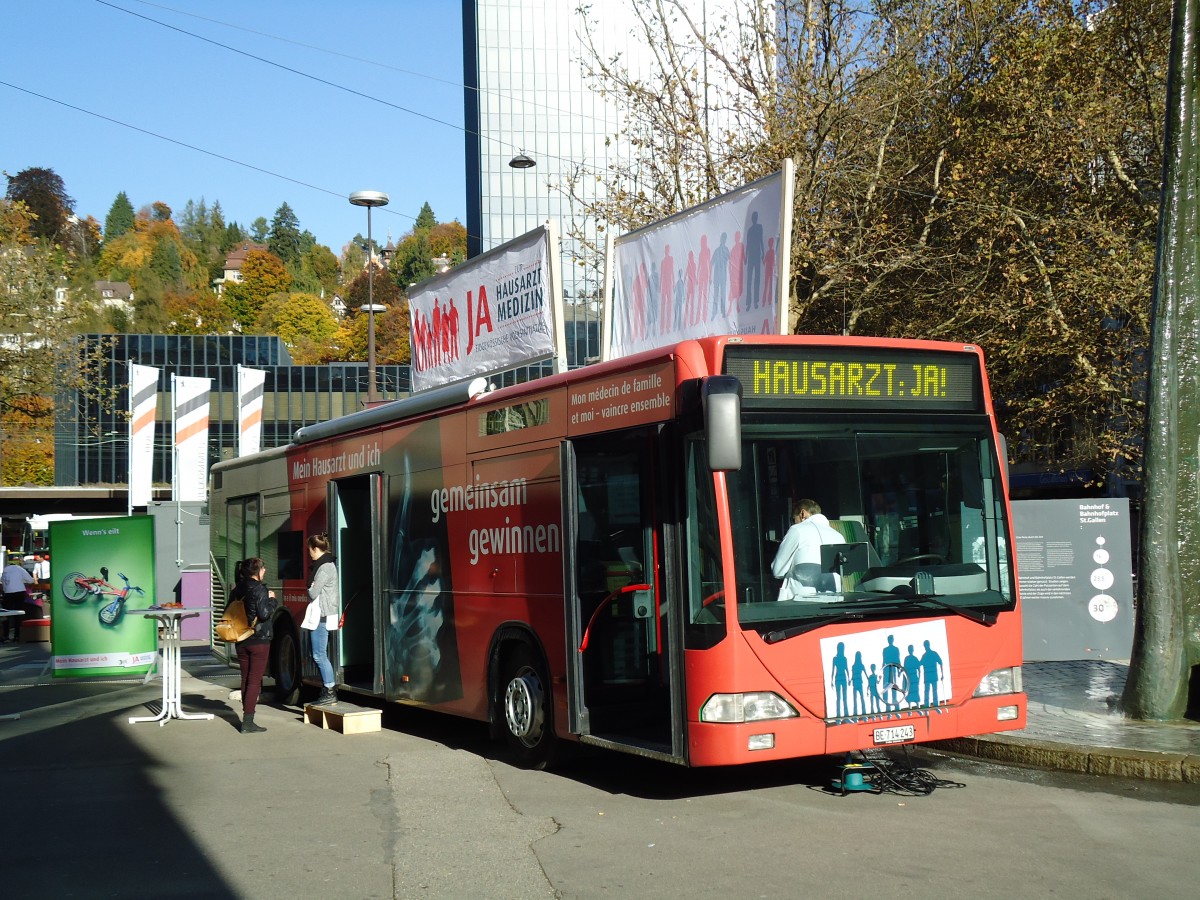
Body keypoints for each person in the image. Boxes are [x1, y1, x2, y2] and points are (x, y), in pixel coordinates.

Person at [771, 498, 844, 600]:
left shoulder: (797, 530)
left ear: (802, 514)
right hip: (833, 598)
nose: (793, 523)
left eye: (793, 519)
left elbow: (778, 570)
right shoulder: (838, 536)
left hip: (801, 600)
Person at [233, 557, 275, 733]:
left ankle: (247, 717)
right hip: (258, 639)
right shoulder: (259, 589)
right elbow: (264, 614)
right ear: (257, 571)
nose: (264, 571)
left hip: (241, 638)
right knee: (254, 681)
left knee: (245, 678)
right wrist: (272, 599)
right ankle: (248, 721)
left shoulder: (237, 589)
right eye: (263, 568)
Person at [305, 533, 341, 705]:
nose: (309, 554)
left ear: (316, 549)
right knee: (319, 654)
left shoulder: (325, 567)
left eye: (309, 550)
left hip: (322, 614)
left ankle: (329, 690)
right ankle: (327, 689)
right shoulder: (327, 564)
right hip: (323, 614)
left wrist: (311, 587)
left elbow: (313, 592)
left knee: (319, 655)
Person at [1, 555, 33, 643]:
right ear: (18, 562)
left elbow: (2, 582)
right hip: (19, 593)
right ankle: (17, 636)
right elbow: (31, 580)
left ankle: (5, 636)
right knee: (18, 614)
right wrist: (22, 581)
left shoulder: (5, 570)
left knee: (5, 615)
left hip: (7, 593)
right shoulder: (20, 569)